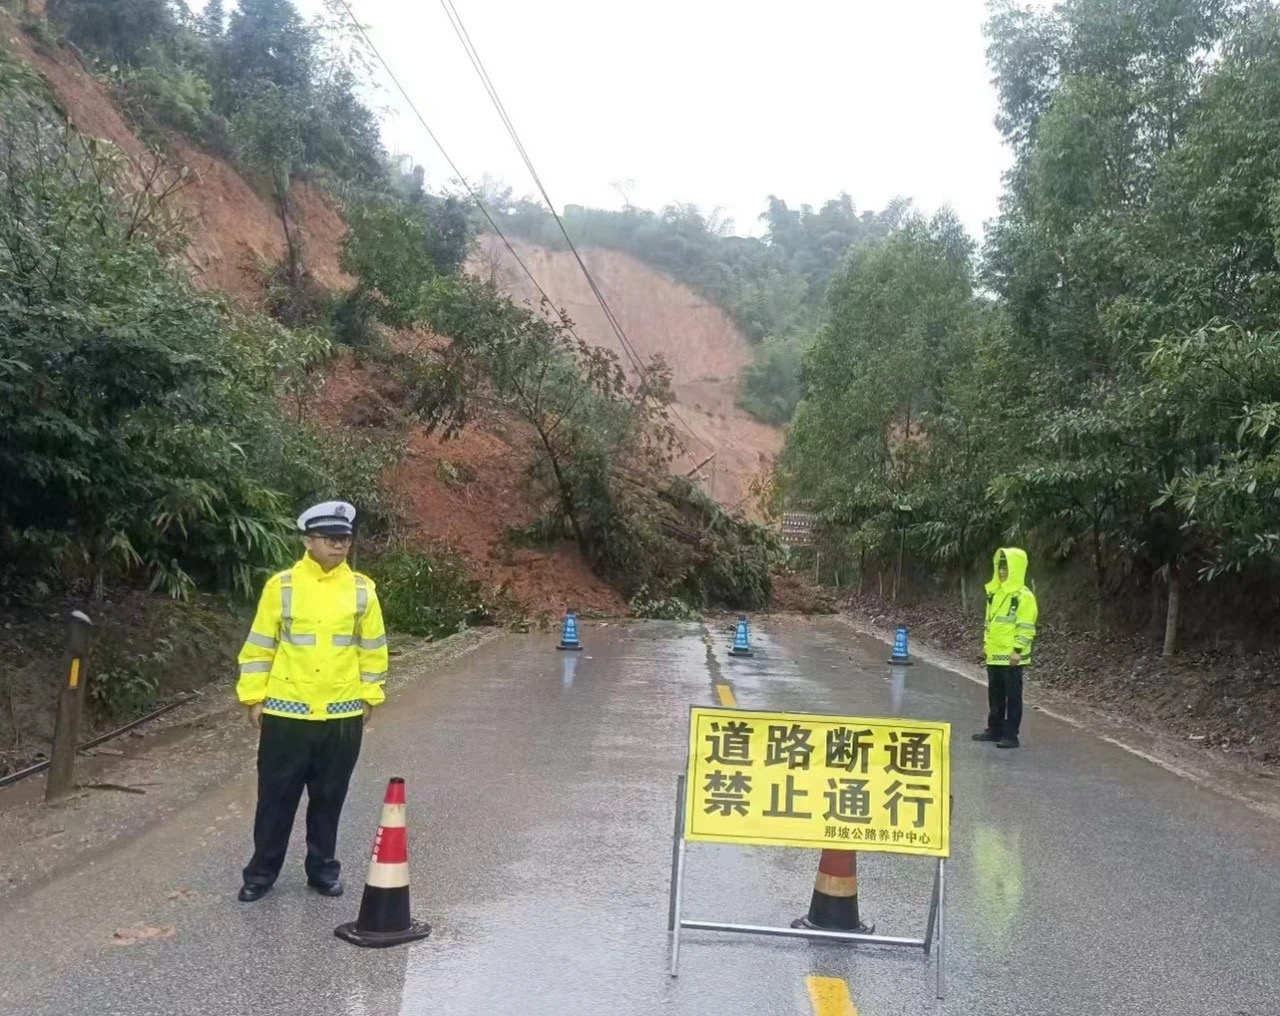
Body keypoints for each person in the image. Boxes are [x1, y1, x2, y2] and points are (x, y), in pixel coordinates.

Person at [234, 500, 389, 902]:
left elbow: (372, 649)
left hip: (342, 713)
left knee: (330, 796)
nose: (340, 546)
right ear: (307, 540)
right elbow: (259, 646)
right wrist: (254, 698)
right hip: (287, 712)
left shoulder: (361, 590)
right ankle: (261, 873)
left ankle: (322, 870)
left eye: (346, 538)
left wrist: (369, 697)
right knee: (275, 798)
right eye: (331, 538)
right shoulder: (281, 586)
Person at [972, 547, 1038, 749]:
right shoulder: (995, 593)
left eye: (1006, 567)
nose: (1002, 572)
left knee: (1013, 697)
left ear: (1016, 568)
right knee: (995, 695)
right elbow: (989, 622)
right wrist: (986, 645)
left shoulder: (1023, 596)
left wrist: (1018, 650)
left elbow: (1026, 626)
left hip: (1012, 656)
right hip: (994, 654)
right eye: (1000, 567)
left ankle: (1011, 735)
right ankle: (995, 729)